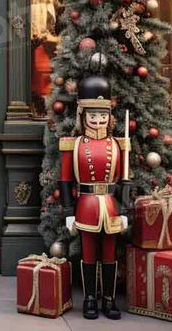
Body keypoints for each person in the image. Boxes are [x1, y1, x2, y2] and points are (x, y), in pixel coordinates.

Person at [59, 75, 130, 320]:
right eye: (93, 115)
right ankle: (90, 297)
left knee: (110, 251)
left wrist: (125, 210)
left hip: (109, 204)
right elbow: (66, 180)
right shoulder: (73, 144)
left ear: (109, 117)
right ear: (83, 116)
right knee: (89, 252)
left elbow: (123, 181)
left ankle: (108, 299)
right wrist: (69, 212)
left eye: (102, 115)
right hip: (86, 204)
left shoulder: (118, 144)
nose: (98, 120)